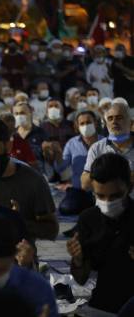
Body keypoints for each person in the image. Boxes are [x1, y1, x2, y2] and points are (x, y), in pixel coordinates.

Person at [0, 118, 59, 240]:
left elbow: (51, 230)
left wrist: (17, 222)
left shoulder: (32, 180)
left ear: (8, 146)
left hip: (16, 255)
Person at [67, 153, 134, 314]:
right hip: (103, 304)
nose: (108, 202)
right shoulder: (89, 219)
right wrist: (78, 260)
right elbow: (81, 279)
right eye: (101, 196)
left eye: (115, 196)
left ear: (129, 188)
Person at [53, 111, 103, 215]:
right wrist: (57, 154)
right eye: (82, 123)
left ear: (95, 123)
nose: (86, 126)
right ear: (77, 126)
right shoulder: (72, 143)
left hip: (101, 189)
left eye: (88, 122)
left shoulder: (105, 142)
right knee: (65, 208)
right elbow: (61, 168)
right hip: (79, 190)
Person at [81, 103, 134, 191]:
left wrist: (104, 175)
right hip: (106, 203)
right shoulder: (97, 148)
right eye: (110, 119)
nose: (114, 122)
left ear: (131, 123)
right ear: (106, 124)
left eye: (119, 118)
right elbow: (85, 184)